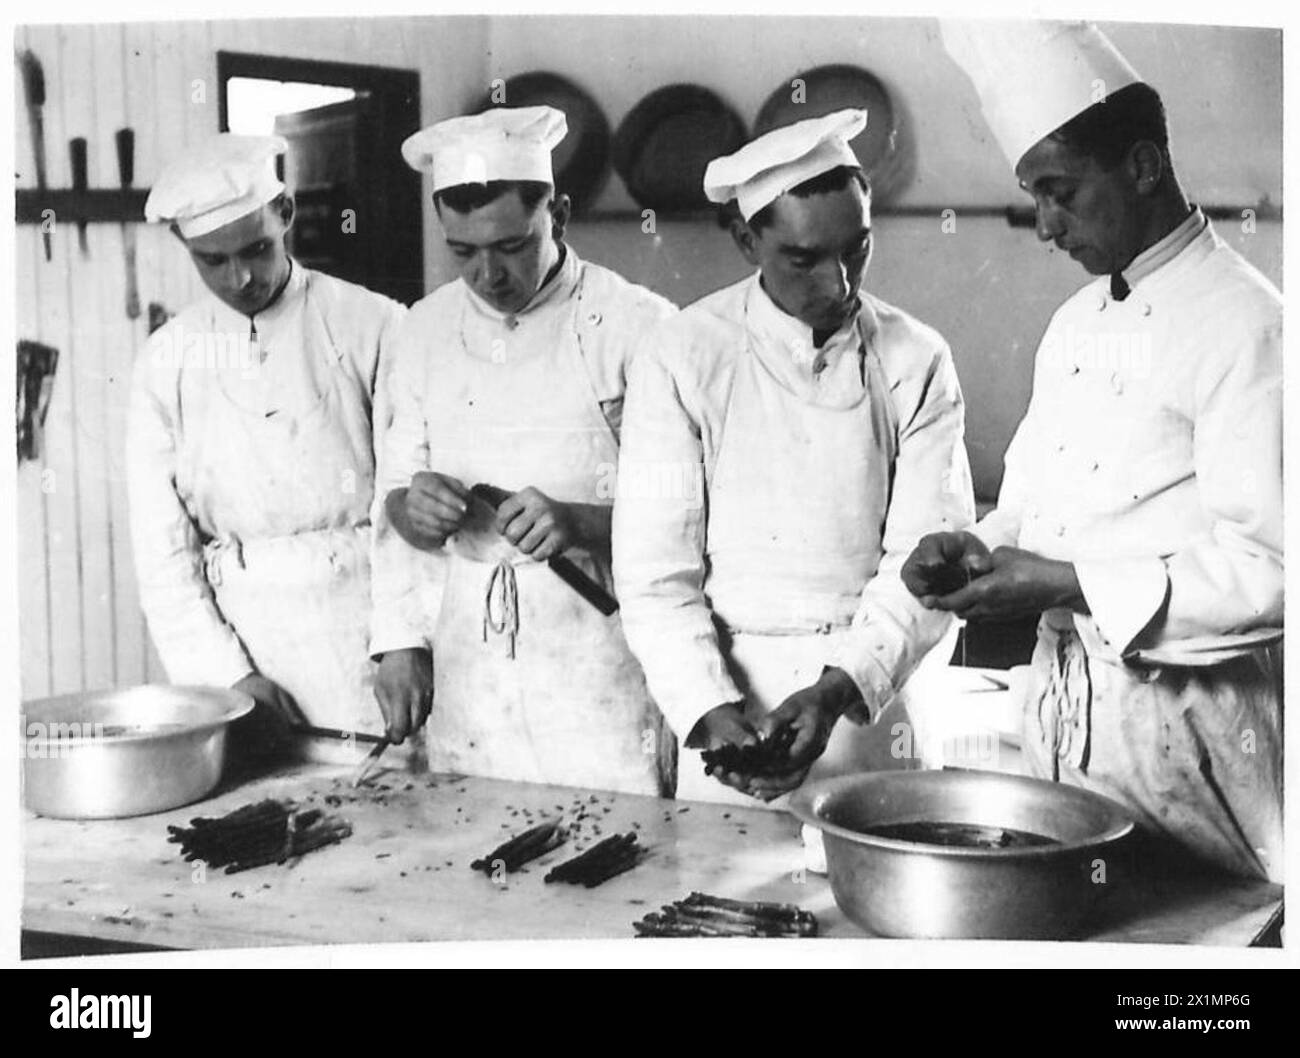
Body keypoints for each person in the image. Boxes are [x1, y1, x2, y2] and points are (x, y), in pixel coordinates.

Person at [903, 21, 1283, 881]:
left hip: (1196, 747)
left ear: (1143, 167)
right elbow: (1036, 509)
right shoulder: (1074, 326)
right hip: (1065, 735)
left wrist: (1074, 584)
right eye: (1034, 194)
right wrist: (977, 549)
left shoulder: (1249, 325)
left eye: (1060, 191)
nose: (1045, 224)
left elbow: (1273, 570)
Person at [613, 110, 975, 806]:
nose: (838, 284)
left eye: (858, 249)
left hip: (873, 693)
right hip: (733, 701)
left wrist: (837, 690)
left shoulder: (917, 358)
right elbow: (656, 574)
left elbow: (928, 565)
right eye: (804, 259)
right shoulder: (683, 355)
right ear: (748, 239)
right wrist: (709, 709)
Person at [370, 106, 679, 796]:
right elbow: (390, 495)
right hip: (471, 652)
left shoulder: (640, 325)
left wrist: (584, 521)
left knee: (618, 854)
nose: (489, 275)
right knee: (473, 848)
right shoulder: (421, 331)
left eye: (512, 245)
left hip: (599, 647)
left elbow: (691, 507)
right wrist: (407, 510)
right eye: (463, 252)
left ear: (559, 215)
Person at [129, 133, 407, 762]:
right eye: (213, 260)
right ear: (186, 249)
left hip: (370, 636)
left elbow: (407, 508)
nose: (241, 277)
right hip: (246, 651)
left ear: (286, 214)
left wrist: (404, 641)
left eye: (255, 249)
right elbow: (164, 557)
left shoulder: (375, 326)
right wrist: (228, 681)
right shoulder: (164, 364)